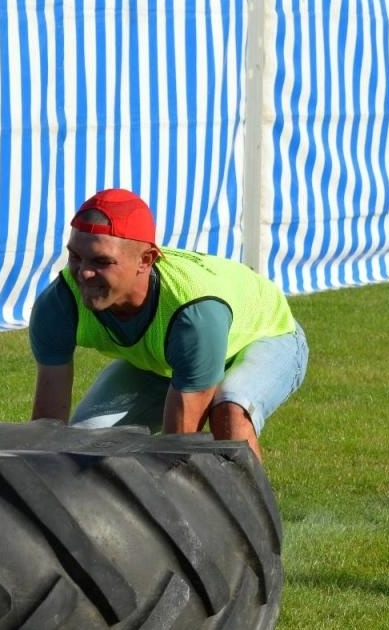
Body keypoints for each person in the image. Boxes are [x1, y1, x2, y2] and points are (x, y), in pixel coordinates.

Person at [29, 188, 307, 459]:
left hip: (268, 335)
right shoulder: (58, 305)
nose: (84, 273)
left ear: (146, 260)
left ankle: (251, 507)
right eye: (76, 256)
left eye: (101, 261)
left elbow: (179, 448)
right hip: (170, 356)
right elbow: (46, 432)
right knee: (84, 442)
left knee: (229, 412)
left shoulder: (194, 313)